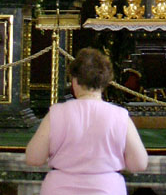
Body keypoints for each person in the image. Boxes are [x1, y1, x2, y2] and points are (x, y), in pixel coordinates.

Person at [25, 47, 148, 195]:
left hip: (60, 189)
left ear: (74, 80)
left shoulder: (57, 113)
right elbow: (139, 164)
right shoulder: (119, 116)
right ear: (105, 82)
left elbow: (34, 158)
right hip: (107, 189)